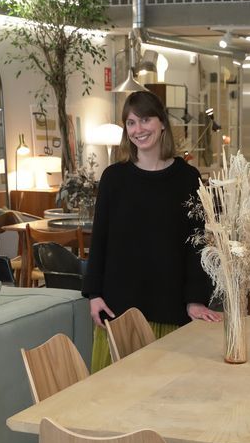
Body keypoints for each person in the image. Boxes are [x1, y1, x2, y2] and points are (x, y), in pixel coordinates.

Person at [84, 90, 220, 371]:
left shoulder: (187, 178)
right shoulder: (113, 178)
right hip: (119, 309)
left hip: (171, 307)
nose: (138, 129)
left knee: (169, 388)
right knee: (114, 391)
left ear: (162, 123)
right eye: (131, 123)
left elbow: (198, 245)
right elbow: (99, 241)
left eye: (145, 119)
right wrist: (94, 294)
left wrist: (195, 299)